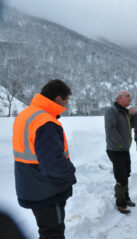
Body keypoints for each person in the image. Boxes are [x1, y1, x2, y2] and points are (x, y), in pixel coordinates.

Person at [12, 79, 76, 238]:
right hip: (47, 190)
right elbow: (53, 163)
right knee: (53, 233)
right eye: (65, 102)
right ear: (58, 99)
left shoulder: (26, 114)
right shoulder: (45, 121)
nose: (65, 106)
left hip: (31, 183)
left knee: (47, 230)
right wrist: (70, 173)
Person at [104, 90, 137, 214]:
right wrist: (120, 143)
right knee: (120, 176)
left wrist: (133, 115)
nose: (130, 98)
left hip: (124, 149)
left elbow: (133, 125)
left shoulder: (124, 112)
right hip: (116, 149)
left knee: (126, 173)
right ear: (119, 98)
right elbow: (110, 129)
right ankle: (120, 202)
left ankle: (126, 198)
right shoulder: (112, 111)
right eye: (128, 96)